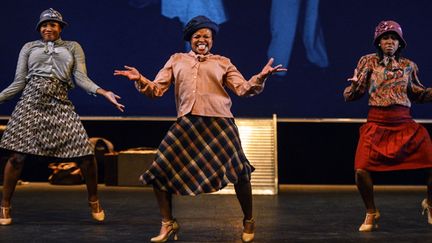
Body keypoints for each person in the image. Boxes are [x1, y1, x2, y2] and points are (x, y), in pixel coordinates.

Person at [114, 15, 286, 242]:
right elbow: (156, 90)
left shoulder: (223, 62)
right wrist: (141, 79)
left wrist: (260, 77)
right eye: (197, 36)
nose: (202, 39)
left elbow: (243, 89)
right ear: (190, 39)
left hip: (220, 124)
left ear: (212, 40)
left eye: (207, 36)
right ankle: (168, 223)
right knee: (159, 171)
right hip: (188, 123)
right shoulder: (176, 60)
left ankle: (248, 220)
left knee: (240, 173)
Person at [0, 8, 124, 225]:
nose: (48, 28)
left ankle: (94, 200)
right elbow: (19, 82)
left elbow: (80, 78)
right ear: (39, 28)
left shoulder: (72, 47)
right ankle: (4, 206)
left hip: (60, 103)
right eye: (44, 25)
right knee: (16, 157)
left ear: (60, 28)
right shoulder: (29, 47)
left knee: (86, 155)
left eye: (53, 25)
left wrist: (104, 92)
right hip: (31, 102)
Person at [344, 20, 432, 232]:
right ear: (379, 42)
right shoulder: (368, 62)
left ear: (400, 43)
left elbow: (418, 93)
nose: (390, 41)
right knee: (361, 170)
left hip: (404, 123)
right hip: (376, 123)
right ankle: (371, 212)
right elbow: (349, 96)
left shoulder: (409, 66)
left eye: (394, 38)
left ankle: (430, 203)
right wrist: (354, 85)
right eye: (385, 38)